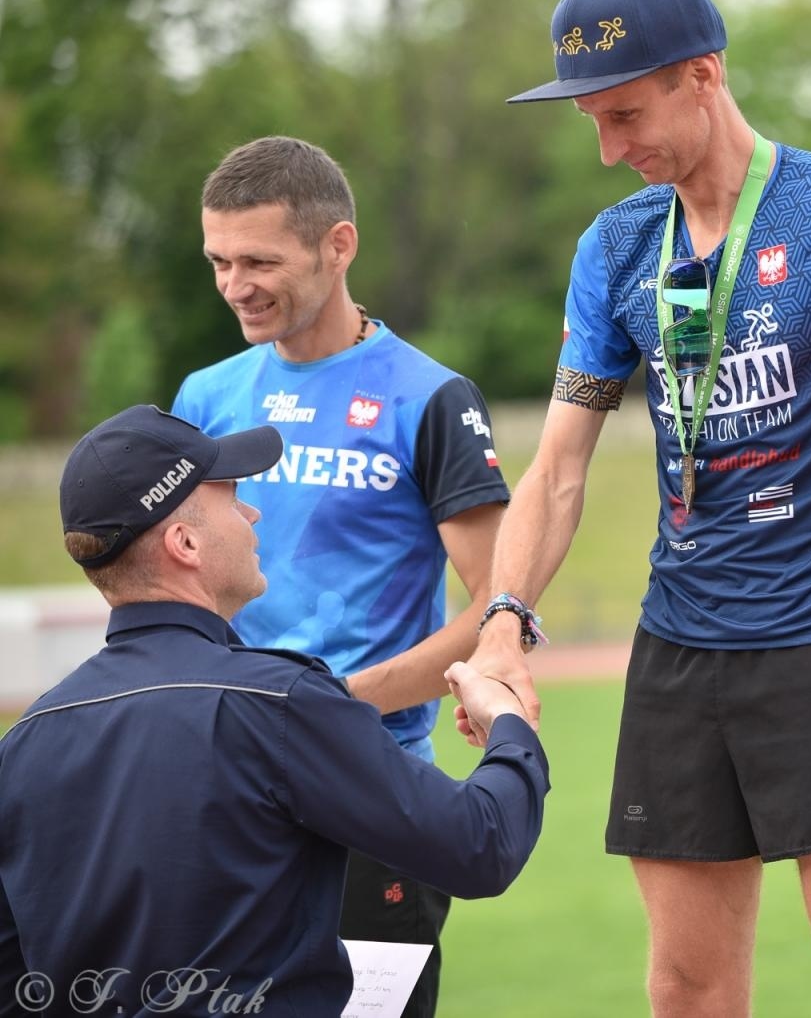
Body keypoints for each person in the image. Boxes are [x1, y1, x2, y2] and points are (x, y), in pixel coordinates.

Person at [477, 0, 811, 1016]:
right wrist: (504, 620)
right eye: (591, 125)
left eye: (626, 115)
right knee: (686, 989)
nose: (611, 149)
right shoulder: (616, 244)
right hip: (680, 649)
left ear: (704, 74)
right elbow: (559, 462)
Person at [0, 405, 549, 1016]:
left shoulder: (22, 744)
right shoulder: (278, 704)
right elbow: (479, 846)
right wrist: (510, 724)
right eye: (231, 497)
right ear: (184, 543)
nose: (252, 512)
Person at [170, 135, 513, 1017]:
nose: (234, 284)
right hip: (224, 789)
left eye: (259, 260)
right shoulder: (205, 398)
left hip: (372, 790)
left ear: (338, 245)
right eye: (218, 260)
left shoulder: (430, 398)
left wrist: (337, 707)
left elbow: (499, 605)